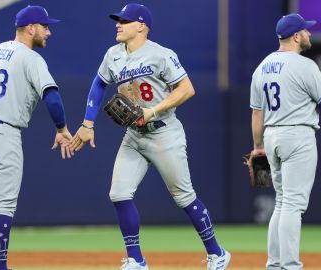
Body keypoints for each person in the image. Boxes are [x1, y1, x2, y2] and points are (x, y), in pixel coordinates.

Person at [70, 3, 231, 270]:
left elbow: (187, 89)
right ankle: (136, 259)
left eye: (124, 21)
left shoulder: (161, 55)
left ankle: (217, 253)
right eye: (117, 20)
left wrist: (153, 110)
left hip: (164, 133)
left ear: (141, 25)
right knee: (119, 194)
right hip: (133, 135)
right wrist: (87, 123)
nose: (117, 25)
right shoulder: (113, 55)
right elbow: (99, 83)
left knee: (184, 197)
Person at [0, 5, 73, 270]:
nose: (49, 32)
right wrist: (61, 129)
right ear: (30, 28)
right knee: (3, 205)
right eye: (45, 26)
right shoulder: (31, 58)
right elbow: (52, 97)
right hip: (3, 132)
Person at [249, 13, 321, 270]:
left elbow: (256, 112)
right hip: (297, 135)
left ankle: (275, 264)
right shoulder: (304, 65)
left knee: (283, 202)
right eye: (306, 31)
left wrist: (258, 146)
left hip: (271, 136)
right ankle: (289, 265)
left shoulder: (262, 66)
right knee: (294, 205)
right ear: (296, 36)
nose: (309, 34)